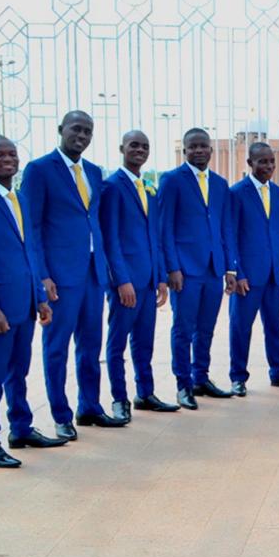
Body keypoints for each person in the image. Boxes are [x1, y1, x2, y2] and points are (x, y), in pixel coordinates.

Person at [0, 136, 66, 467]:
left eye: (12, 154)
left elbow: (30, 251)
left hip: (24, 304)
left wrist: (40, 298)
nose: (7, 159)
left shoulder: (19, 199)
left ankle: (20, 429)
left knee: (18, 372)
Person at [21, 110, 125, 440]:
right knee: (57, 348)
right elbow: (32, 228)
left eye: (88, 131)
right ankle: (60, 414)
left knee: (90, 345)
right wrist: (42, 275)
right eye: (76, 129)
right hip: (60, 277)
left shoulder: (93, 171)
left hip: (93, 273)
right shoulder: (39, 170)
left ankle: (89, 407)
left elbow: (95, 220)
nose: (81, 136)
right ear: (60, 129)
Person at [100, 131, 178, 422]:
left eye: (145, 146)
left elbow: (154, 236)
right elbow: (110, 239)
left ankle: (145, 393)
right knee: (118, 343)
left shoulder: (147, 187)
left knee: (144, 342)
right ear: (122, 148)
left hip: (148, 280)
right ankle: (119, 398)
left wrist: (160, 277)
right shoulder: (112, 186)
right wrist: (122, 281)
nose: (140, 150)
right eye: (134, 145)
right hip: (126, 283)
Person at [158, 127, 234, 409]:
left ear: (211, 150)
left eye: (203, 146)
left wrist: (230, 269)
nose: (199, 151)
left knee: (206, 328)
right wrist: (172, 267)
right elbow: (164, 227)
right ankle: (183, 384)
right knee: (183, 329)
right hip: (185, 270)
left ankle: (201, 377)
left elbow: (225, 227)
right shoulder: (172, 180)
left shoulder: (220, 184)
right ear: (185, 150)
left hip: (214, 268)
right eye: (193, 147)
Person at [226, 142, 279, 395]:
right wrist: (238, 273)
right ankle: (238, 377)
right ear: (250, 163)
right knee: (241, 327)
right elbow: (231, 236)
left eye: (271, 161)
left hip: (273, 274)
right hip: (248, 276)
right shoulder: (237, 193)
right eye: (262, 161)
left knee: (274, 325)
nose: (268, 166)